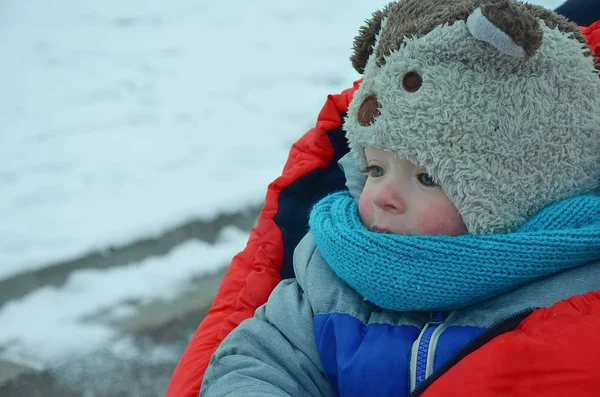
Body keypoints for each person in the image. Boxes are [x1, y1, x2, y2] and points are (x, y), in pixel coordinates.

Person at [197, 0, 600, 396]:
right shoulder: (334, 271)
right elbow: (259, 359)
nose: (384, 196)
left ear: (525, 192)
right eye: (376, 169)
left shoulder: (574, 295)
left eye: (427, 177)